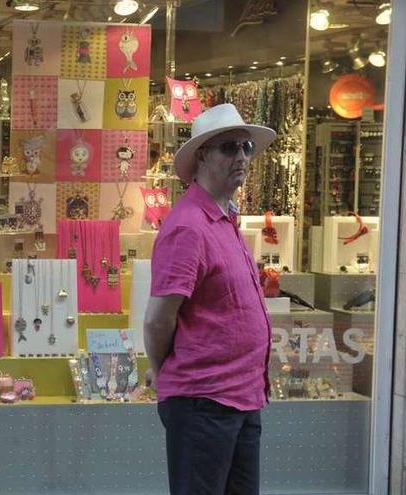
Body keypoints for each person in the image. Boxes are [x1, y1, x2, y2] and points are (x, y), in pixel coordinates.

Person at [143, 103, 277, 495]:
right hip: (204, 401)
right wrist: (164, 369)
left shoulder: (224, 219)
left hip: (241, 396)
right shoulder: (188, 226)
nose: (241, 157)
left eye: (246, 148)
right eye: (229, 148)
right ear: (202, 157)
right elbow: (157, 320)